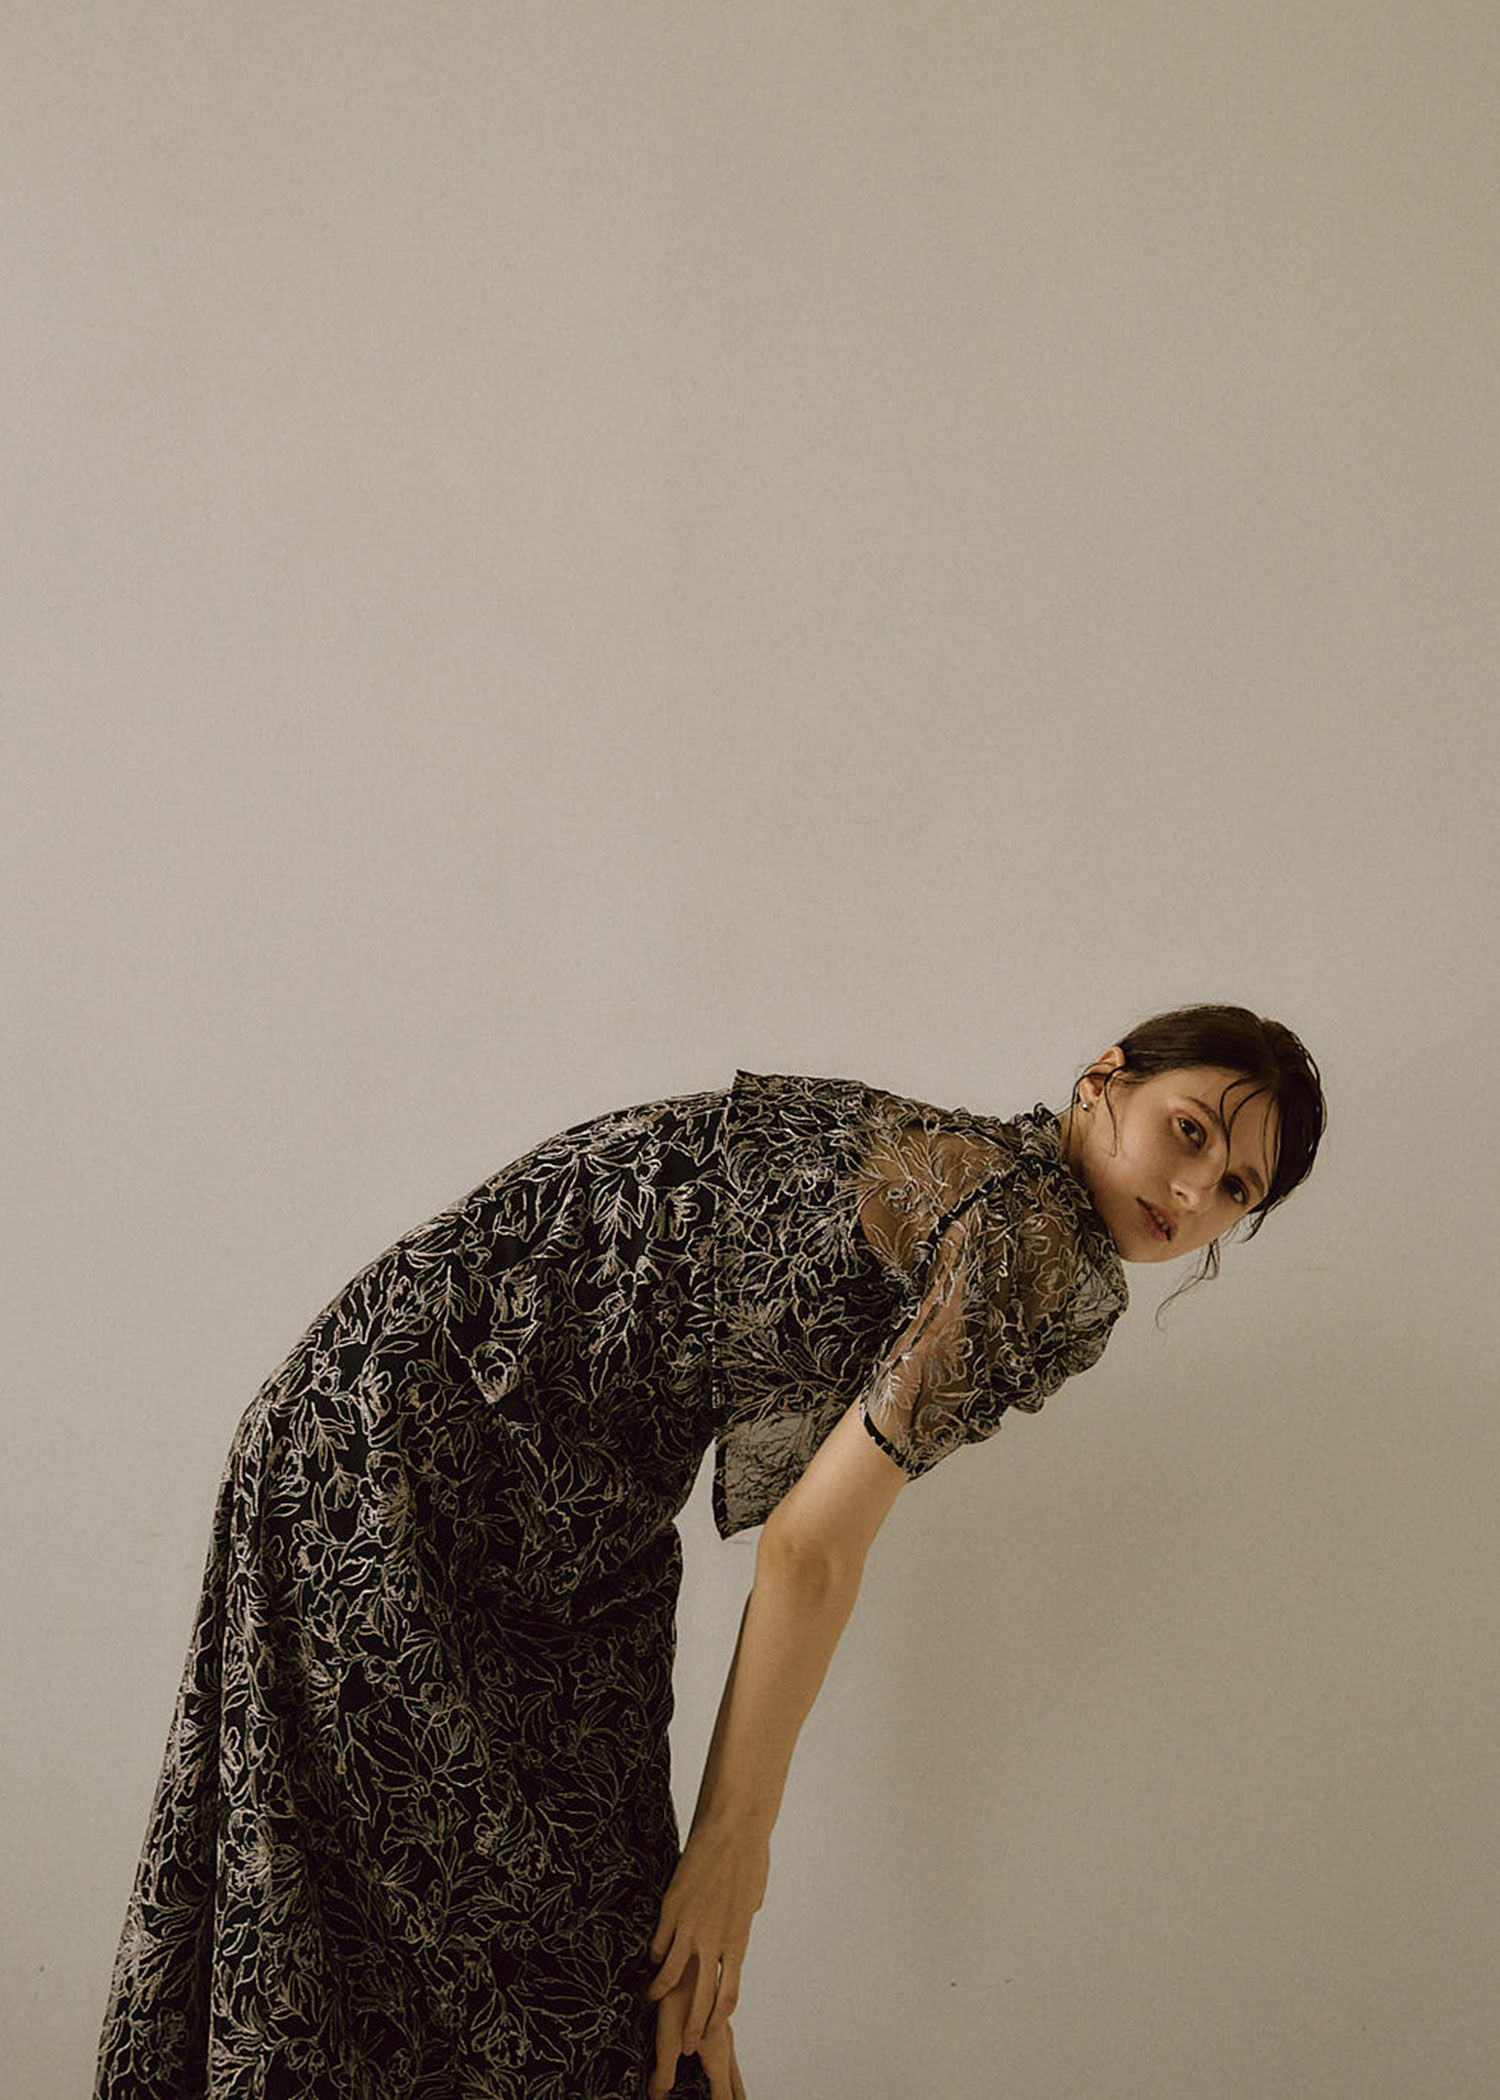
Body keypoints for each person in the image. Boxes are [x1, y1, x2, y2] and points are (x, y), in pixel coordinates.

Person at [94, 1004, 1325, 2100]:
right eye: (1190, 1132)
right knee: (509, 1946)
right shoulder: (1027, 1237)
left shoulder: (1011, 1197)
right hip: (408, 1453)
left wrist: (719, 1861)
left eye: (1236, 1191)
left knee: (589, 1953)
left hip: (541, 1501)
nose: (1192, 1194)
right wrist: (735, 1854)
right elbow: (809, 1553)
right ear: (1105, 1076)